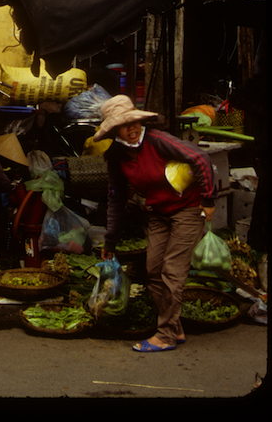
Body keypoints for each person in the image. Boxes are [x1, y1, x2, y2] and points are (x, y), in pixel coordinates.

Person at [94, 95, 216, 353]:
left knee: (172, 271)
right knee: (153, 271)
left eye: (134, 122)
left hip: (188, 208)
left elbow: (201, 158)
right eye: (124, 125)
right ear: (114, 130)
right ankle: (175, 326)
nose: (132, 128)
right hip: (158, 212)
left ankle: (166, 335)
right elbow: (115, 198)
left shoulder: (158, 140)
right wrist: (110, 240)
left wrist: (208, 199)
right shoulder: (117, 156)